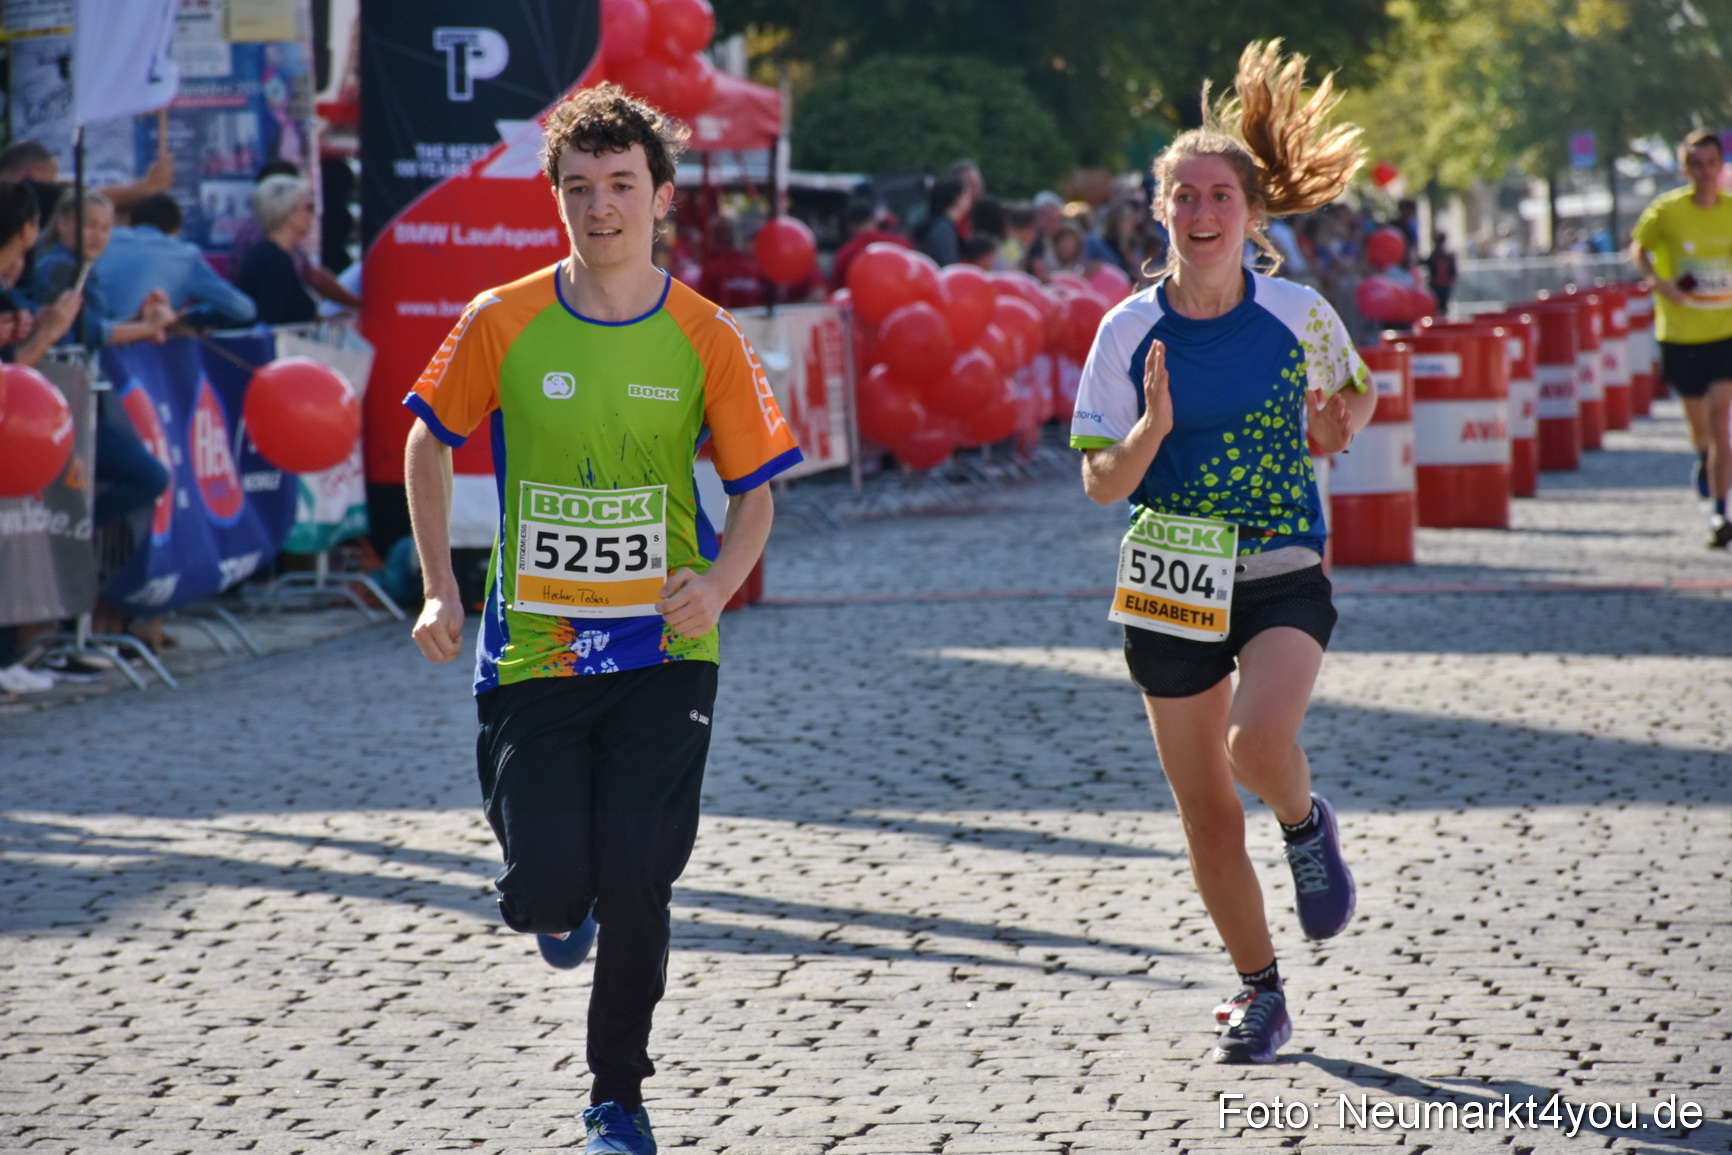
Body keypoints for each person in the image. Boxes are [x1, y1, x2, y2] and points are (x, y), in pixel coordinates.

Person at [403, 83, 801, 1154]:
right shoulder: (503, 319)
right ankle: (552, 900)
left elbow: (757, 488)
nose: (601, 207)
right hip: (534, 648)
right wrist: (443, 583)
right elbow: (427, 439)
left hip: (666, 648)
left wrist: (717, 586)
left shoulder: (704, 334)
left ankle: (616, 1096)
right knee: (546, 892)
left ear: (661, 198)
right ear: (558, 200)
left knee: (638, 880)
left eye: (622, 185)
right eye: (579, 188)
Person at [1069, 40, 1376, 1066]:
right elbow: (1100, 481)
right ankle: (1260, 991)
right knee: (1204, 814)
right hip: (1167, 578)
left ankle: (1302, 819)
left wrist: (1334, 426)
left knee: (1256, 746)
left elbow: (1351, 404)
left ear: (1248, 213)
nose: (1201, 213)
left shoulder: (1297, 314)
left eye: (1218, 197)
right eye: (1183, 197)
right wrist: (1150, 429)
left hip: (1281, 564)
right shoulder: (1123, 331)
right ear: (1159, 213)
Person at [1629, 129, 1732, 548]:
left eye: (1711, 164)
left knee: (1721, 421)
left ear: (1721, 166)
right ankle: (1702, 458)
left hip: (1725, 331)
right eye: (1696, 165)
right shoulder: (1667, 211)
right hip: (1680, 334)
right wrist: (1659, 282)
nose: (1705, 173)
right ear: (1684, 168)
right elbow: (1638, 248)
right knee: (1701, 429)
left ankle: (1718, 512)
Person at [98, 193, 258, 329]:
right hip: (141, 353)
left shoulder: (105, 241)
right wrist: (188, 318)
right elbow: (244, 310)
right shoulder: (185, 256)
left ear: (129, 223)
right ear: (177, 231)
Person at [233, 174, 361, 324]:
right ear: (289, 214)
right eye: (309, 207)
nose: (313, 215)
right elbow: (270, 322)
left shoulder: (276, 254)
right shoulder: (276, 261)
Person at [829, 198, 912, 292]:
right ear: (874, 220)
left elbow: (838, 292)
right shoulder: (900, 243)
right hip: (901, 298)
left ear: (849, 225)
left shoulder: (844, 254)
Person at [917, 176, 971, 267]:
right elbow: (948, 265)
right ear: (957, 198)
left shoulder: (935, 223)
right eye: (966, 195)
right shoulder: (943, 227)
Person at [1423, 230, 1457, 312]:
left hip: (1443, 284)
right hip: (1437, 284)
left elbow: (1452, 271)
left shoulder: (1446, 257)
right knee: (1437, 306)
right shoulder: (1435, 256)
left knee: (1442, 306)